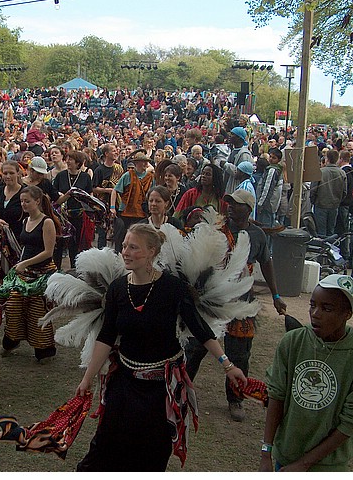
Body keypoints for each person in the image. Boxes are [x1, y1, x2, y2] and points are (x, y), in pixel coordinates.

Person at [74, 223, 246, 471]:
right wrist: (87, 378)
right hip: (124, 381)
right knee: (104, 445)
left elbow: (200, 330)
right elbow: (106, 336)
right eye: (124, 246)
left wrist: (227, 365)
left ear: (152, 251)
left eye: (134, 247)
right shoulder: (118, 289)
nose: (125, 252)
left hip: (162, 388)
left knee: (152, 452)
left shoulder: (172, 289)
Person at [185, 189, 286, 422]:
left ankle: (235, 399)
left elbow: (266, 263)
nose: (230, 206)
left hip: (241, 301)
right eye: (229, 202)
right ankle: (181, 389)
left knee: (239, 354)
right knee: (196, 347)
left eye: (237, 204)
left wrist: (276, 295)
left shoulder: (258, 235)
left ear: (249, 209)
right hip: (210, 297)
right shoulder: (216, 227)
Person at [260, 274, 353, 472]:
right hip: (286, 457)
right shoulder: (292, 343)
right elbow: (277, 395)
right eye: (312, 305)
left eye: (327, 308)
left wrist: (304, 464)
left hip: (328, 466)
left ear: (347, 314)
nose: (315, 313)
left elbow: (351, 422)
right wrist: (266, 453)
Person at [0, 185, 60, 361]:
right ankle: (12, 340)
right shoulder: (25, 221)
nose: (23, 204)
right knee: (13, 305)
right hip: (25, 272)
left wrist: (26, 263)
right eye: (22, 201)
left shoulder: (47, 222)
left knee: (38, 311)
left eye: (27, 201)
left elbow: (48, 252)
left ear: (37, 201)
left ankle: (44, 350)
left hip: (42, 272)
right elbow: (25, 247)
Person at [52, 150, 93, 269]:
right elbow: (55, 196)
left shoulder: (85, 177)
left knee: (75, 245)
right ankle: (56, 270)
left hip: (78, 216)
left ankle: (75, 270)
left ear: (78, 162)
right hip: (62, 216)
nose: (68, 161)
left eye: (71, 159)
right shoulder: (61, 175)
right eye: (67, 158)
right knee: (58, 245)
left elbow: (89, 196)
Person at [0, 161, 26, 280]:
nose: (8, 176)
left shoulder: (25, 193)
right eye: (5, 173)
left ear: (18, 174)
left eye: (11, 173)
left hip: (19, 242)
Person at [110, 150, 155, 252]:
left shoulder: (151, 178)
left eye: (146, 161)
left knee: (138, 240)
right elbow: (115, 191)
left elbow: (153, 194)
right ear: (136, 163)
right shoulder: (127, 175)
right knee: (121, 237)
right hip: (125, 212)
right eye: (142, 161)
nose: (145, 164)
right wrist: (112, 207)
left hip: (141, 213)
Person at [91, 143, 123, 248]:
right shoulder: (99, 170)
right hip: (103, 205)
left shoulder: (119, 169)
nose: (116, 152)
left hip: (118, 204)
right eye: (113, 151)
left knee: (118, 231)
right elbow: (94, 188)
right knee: (102, 234)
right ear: (106, 153)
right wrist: (108, 190)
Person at [310, 149, 347, 238]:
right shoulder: (342, 173)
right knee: (331, 231)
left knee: (320, 232)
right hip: (334, 205)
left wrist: (313, 201)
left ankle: (321, 250)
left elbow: (313, 189)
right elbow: (344, 192)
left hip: (321, 205)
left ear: (327, 159)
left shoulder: (320, 171)